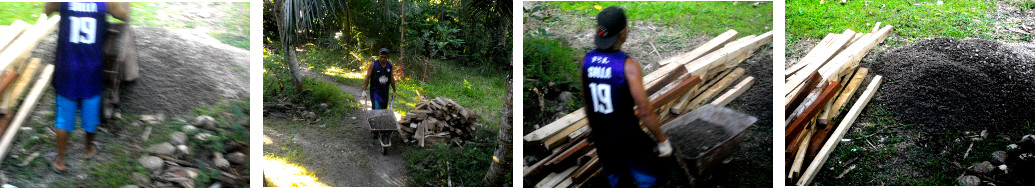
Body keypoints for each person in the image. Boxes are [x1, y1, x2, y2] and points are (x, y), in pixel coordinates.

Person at [579, 6, 672, 188]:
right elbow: (644, 112)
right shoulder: (628, 67)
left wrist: (592, 126)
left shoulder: (586, 61)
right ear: (623, 32)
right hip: (627, 138)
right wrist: (661, 139)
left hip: (602, 138)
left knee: (615, 177)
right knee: (647, 177)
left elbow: (587, 102)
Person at [44, 2, 129, 173]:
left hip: (67, 68)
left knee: (63, 118)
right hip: (92, 68)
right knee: (91, 112)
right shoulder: (105, 3)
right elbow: (124, 15)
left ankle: (60, 160)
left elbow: (47, 10)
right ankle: (89, 149)